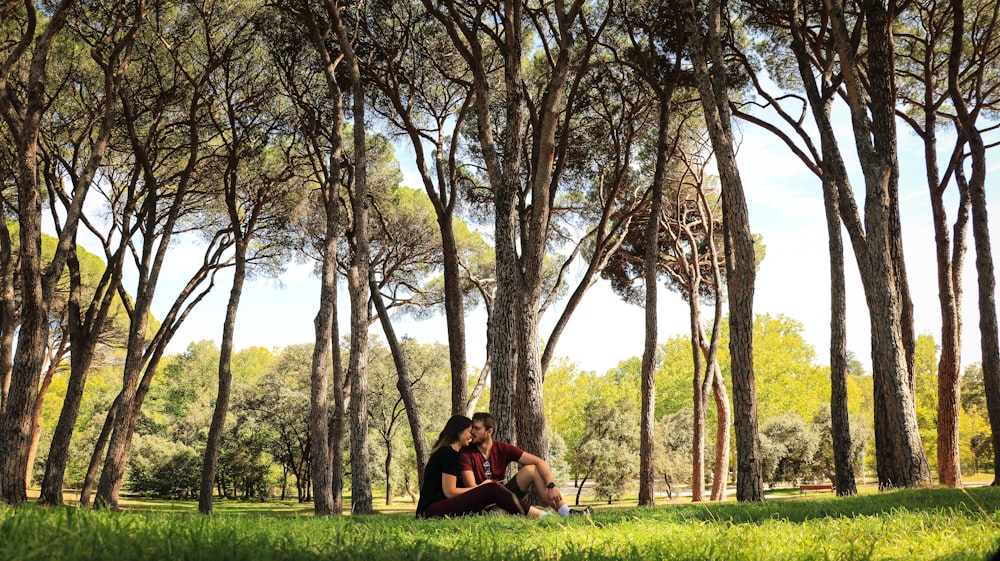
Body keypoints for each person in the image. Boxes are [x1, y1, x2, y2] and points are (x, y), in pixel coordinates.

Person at [459, 412, 591, 517]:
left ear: (489, 432)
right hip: (484, 503)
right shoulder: (466, 452)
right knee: (497, 514)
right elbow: (472, 488)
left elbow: (539, 461)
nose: (472, 433)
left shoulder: (502, 448)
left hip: (504, 496)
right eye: (472, 429)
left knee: (531, 470)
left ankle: (565, 512)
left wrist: (552, 486)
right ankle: (530, 511)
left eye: (476, 429)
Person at [416, 414, 544, 519]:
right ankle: (536, 514)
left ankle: (520, 509)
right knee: (491, 488)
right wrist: (481, 488)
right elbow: (450, 492)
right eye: (468, 432)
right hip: (432, 510)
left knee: (493, 499)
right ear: (459, 432)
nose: (471, 436)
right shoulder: (448, 453)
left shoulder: (452, 453)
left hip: (441, 507)